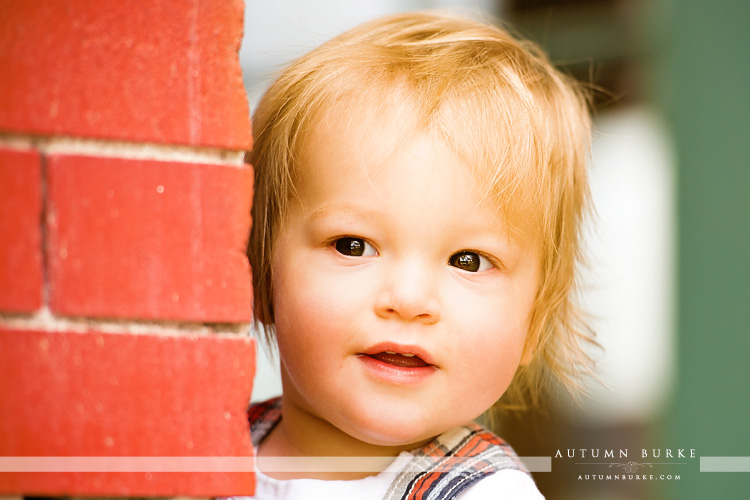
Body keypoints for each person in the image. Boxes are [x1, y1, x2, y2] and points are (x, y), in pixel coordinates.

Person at [238, 9, 594, 500]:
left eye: (467, 260)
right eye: (353, 246)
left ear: (534, 319)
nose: (408, 299)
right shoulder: (189, 455)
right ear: (258, 277)